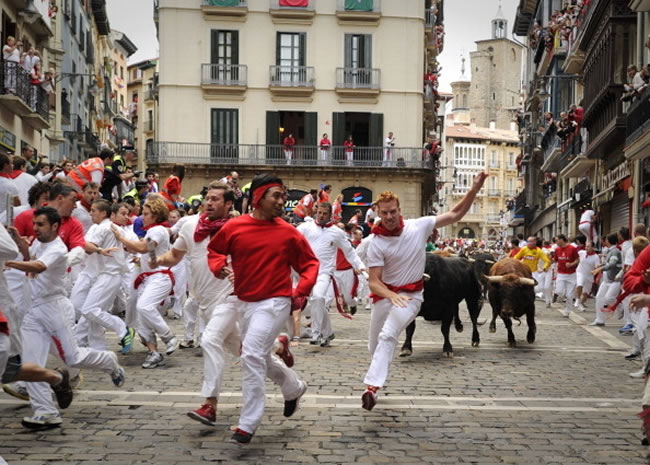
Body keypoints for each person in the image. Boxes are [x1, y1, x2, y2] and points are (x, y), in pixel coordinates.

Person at [153, 181, 295, 426]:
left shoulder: (238, 227)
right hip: (204, 302)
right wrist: (156, 261)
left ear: (230, 204)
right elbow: (174, 256)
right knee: (249, 353)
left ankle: (210, 404)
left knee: (209, 339)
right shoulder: (189, 225)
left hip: (231, 298)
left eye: (216, 199)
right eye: (208, 198)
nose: (209, 202)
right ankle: (292, 383)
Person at [361, 172, 487, 411]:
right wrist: (390, 295)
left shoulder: (418, 226)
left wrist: (474, 188)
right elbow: (374, 282)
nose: (389, 217)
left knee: (388, 336)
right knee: (374, 345)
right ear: (378, 212)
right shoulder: (376, 242)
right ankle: (378, 371)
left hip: (411, 296)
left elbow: (455, 214)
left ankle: (371, 389)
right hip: (386, 295)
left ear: (400, 210)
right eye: (384, 212)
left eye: (393, 211)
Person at [207, 173, 319, 443]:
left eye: (283, 195)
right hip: (245, 301)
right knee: (259, 356)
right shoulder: (235, 227)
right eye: (277, 196)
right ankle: (293, 387)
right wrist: (219, 267)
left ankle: (249, 422)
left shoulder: (289, 232)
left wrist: (300, 291)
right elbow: (215, 250)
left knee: (252, 355)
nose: (282, 201)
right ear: (258, 198)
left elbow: (310, 265)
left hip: (275, 301)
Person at [5, 207, 125, 428]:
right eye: (34, 224)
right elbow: (30, 256)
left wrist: (9, 264)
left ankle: (108, 361)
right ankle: (46, 411)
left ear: (54, 226)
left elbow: (38, 266)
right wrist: (17, 241)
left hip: (55, 307)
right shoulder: (39, 242)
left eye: (40, 225)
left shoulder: (58, 248)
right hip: (33, 309)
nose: (35, 228)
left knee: (72, 357)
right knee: (33, 363)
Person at [111, 196, 180, 368]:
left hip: (159, 277)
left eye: (147, 213)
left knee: (144, 306)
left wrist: (121, 238)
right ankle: (153, 353)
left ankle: (169, 337)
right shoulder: (152, 231)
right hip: (148, 278)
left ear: (156, 215)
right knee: (142, 318)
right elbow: (143, 249)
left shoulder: (157, 230)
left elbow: (143, 247)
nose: (143, 217)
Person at [70, 199, 135, 353]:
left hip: (109, 274)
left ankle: (122, 329)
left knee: (90, 310)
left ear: (103, 213)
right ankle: (95, 348)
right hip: (101, 274)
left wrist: (74, 242)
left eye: (93, 210)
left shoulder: (106, 227)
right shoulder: (102, 227)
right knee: (91, 313)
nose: (91, 213)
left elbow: (87, 247)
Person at [298, 202, 365, 346]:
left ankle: (316, 333)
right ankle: (328, 333)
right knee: (318, 302)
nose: (321, 216)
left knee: (318, 297)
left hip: (325, 273)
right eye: (319, 213)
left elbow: (350, 252)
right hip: (307, 272)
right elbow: (290, 242)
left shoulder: (337, 232)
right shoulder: (305, 228)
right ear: (316, 212)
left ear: (330, 215)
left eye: (325, 213)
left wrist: (360, 266)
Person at [590, 233, 622, 326]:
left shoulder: (615, 252)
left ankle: (620, 307)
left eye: (606, 240)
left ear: (609, 241)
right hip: (606, 280)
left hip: (614, 280)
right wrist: (601, 265)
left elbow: (612, 264)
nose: (605, 241)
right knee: (599, 297)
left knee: (609, 298)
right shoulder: (609, 251)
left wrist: (599, 269)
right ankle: (600, 319)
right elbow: (608, 263)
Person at [553, 234, 579, 317]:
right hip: (561, 273)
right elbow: (555, 260)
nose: (556, 242)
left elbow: (578, 259)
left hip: (571, 274)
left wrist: (571, 264)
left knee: (569, 295)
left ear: (562, 240)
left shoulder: (572, 248)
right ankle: (558, 295)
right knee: (559, 291)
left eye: (557, 240)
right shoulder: (557, 249)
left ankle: (567, 311)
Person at [575, 240, 599, 312]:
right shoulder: (582, 252)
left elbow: (597, 267)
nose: (586, 248)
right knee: (579, 284)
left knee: (586, 293)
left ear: (593, 247)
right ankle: (577, 299)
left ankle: (581, 304)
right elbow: (574, 255)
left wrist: (597, 270)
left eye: (588, 246)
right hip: (580, 272)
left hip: (589, 275)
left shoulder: (596, 257)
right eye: (586, 246)